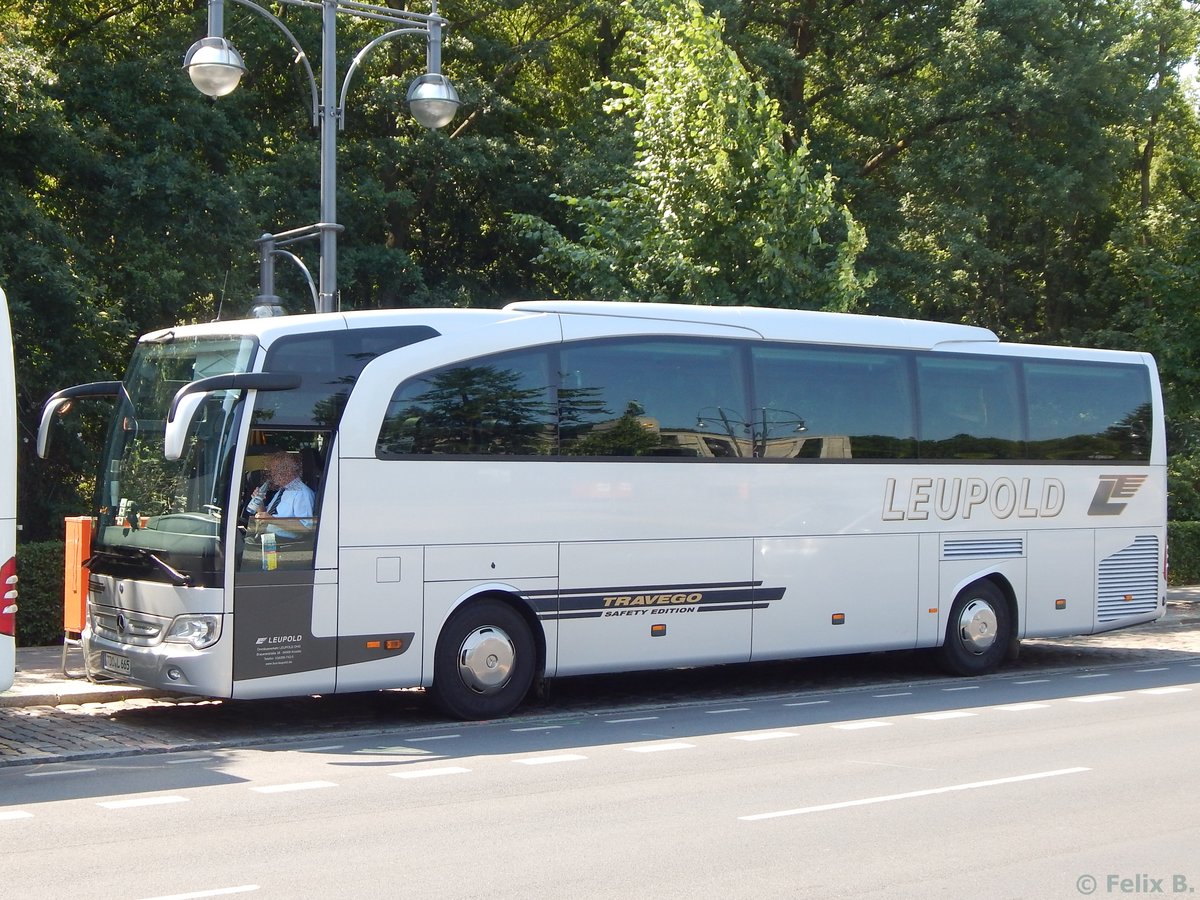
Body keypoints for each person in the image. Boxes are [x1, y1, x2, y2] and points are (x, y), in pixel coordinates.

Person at [245, 452, 315, 539]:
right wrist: (259, 502)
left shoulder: (302, 493)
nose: (272, 475)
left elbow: (305, 528)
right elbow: (266, 517)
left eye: (275, 470)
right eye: (272, 471)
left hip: (286, 544)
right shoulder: (283, 490)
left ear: (288, 470)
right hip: (267, 537)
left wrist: (273, 520)